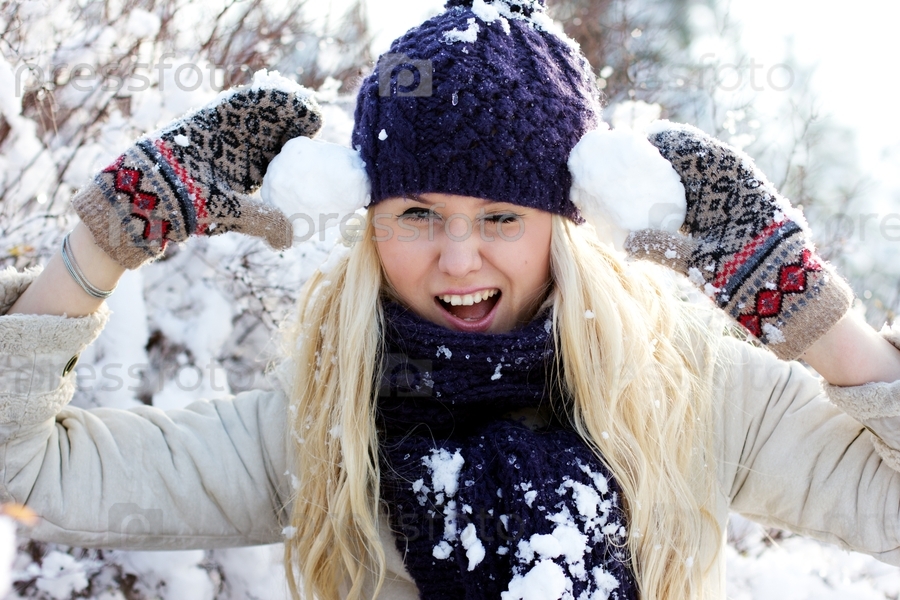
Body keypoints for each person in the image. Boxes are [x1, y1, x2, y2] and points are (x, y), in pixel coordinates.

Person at [3, 0, 900, 598]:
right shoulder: (325, 423)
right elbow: (25, 474)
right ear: (369, 220)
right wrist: (106, 239)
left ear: (568, 222)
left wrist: (816, 320)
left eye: (503, 216)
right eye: (419, 212)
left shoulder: (688, 390)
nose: (457, 258)